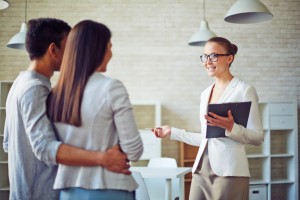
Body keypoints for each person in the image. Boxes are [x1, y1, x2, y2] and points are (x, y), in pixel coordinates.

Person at [3, 18, 131, 200]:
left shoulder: (19, 84)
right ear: (53, 50)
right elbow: (44, 147)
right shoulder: (35, 88)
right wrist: (103, 158)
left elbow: (8, 143)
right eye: (70, 47)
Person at [152, 37, 264, 200]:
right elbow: (207, 139)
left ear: (229, 58)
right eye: (204, 56)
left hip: (229, 173)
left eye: (213, 56)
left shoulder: (244, 90)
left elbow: (258, 137)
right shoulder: (205, 93)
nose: (207, 61)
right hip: (201, 171)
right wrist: (172, 132)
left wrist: (232, 128)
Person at [47, 20, 143, 200]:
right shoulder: (111, 87)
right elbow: (134, 151)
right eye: (109, 46)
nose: (111, 53)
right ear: (98, 49)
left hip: (68, 192)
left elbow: (53, 148)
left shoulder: (55, 94)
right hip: (109, 188)